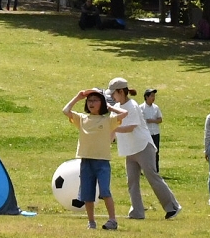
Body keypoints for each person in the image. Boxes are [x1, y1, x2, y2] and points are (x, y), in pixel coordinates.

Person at [106, 80, 179, 220]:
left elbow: (131, 127)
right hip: (130, 150)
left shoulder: (132, 105)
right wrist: (107, 143)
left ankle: (173, 207)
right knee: (132, 181)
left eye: (114, 93)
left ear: (121, 91)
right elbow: (112, 128)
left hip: (143, 146)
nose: (112, 97)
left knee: (152, 177)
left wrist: (113, 129)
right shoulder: (116, 107)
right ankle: (137, 213)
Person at [63, 88, 125, 229]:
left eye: (95, 100)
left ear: (101, 103)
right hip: (86, 161)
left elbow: (125, 114)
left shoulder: (108, 120)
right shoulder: (82, 119)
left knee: (105, 191)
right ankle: (91, 222)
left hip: (102, 162)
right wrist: (77, 97)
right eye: (89, 101)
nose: (91, 103)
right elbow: (66, 111)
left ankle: (112, 220)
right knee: (87, 193)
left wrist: (109, 107)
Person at [141, 88, 164, 171]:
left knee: (156, 151)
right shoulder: (141, 108)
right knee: (145, 152)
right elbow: (142, 121)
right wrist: (153, 121)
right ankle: (144, 168)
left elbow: (160, 119)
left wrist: (152, 120)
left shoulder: (156, 107)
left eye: (154, 96)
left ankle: (155, 169)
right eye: (151, 96)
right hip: (146, 133)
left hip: (155, 133)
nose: (153, 98)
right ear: (146, 97)